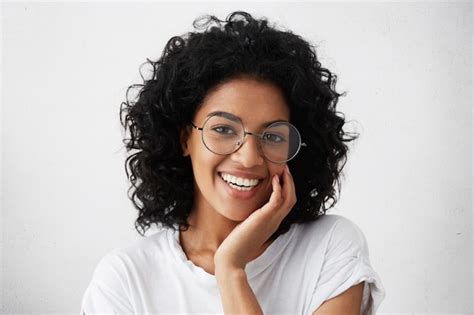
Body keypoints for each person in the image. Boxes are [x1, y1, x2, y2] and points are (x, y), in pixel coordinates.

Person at [81, 11, 385, 314]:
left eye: (273, 136)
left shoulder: (329, 247)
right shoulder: (125, 280)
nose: (250, 157)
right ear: (185, 138)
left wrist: (230, 270)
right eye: (224, 130)